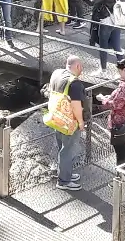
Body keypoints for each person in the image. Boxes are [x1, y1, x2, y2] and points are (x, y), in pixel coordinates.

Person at [96, 59, 125, 186]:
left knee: (121, 153)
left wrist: (103, 99)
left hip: (121, 125)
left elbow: (115, 105)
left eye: (120, 71)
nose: (119, 74)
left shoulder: (124, 88)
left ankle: (119, 181)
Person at [49, 55, 88, 191]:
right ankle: (64, 181)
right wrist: (81, 122)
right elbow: (76, 106)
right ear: (77, 66)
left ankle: (65, 173)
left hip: (57, 118)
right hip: (70, 122)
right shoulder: (75, 84)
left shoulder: (56, 74)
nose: (82, 70)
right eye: (81, 67)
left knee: (62, 147)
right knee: (68, 150)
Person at [86, 0, 125, 74]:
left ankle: (103, 70)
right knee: (117, 48)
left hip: (106, 21)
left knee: (103, 47)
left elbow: (91, 2)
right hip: (116, 21)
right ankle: (124, 72)